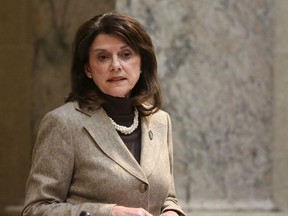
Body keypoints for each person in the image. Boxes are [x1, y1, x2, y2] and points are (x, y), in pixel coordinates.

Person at [21, 12, 186, 216]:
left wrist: (172, 212)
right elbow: (36, 209)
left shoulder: (160, 121)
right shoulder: (63, 123)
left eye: (126, 54)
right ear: (88, 69)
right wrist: (109, 213)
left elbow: (168, 197)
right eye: (103, 57)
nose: (116, 65)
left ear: (142, 62)